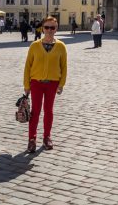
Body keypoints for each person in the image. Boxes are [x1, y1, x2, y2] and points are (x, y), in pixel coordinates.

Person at [23, 16, 67, 153]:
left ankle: (47, 137)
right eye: (47, 27)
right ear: (42, 28)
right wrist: (27, 85)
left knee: (49, 111)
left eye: (52, 28)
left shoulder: (61, 46)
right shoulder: (34, 46)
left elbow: (64, 67)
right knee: (35, 111)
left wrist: (61, 84)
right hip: (36, 83)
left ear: (56, 29)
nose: (49, 30)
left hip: (52, 84)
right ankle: (32, 139)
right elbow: (27, 66)